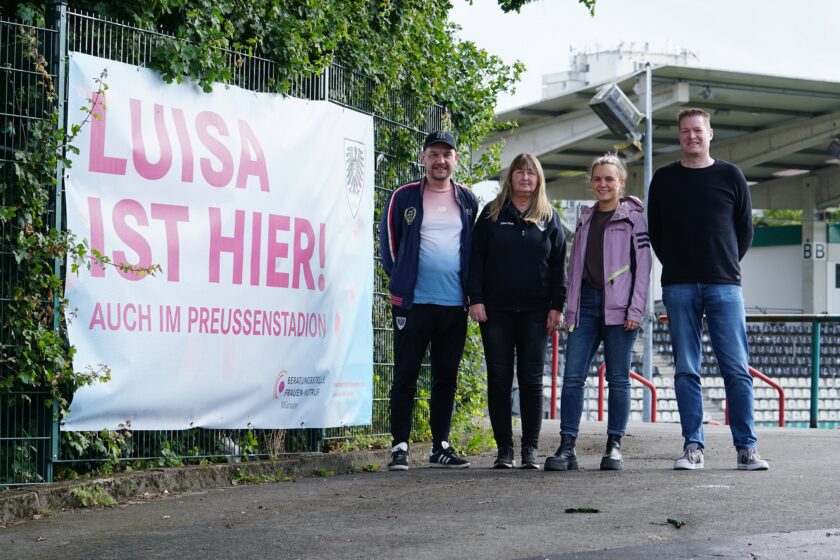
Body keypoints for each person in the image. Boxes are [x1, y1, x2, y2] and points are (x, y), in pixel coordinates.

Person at [648, 108, 769, 471]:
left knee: (736, 369)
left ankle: (747, 448)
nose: (692, 137)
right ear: (679, 136)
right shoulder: (664, 179)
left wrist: (724, 263)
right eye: (685, 131)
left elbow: (744, 231)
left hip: (724, 285)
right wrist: (681, 265)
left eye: (697, 130)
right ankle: (693, 447)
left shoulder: (731, 176)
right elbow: (657, 233)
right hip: (679, 285)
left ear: (710, 133)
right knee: (686, 368)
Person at [379, 130, 478, 471]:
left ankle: (441, 445)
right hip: (412, 303)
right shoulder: (404, 197)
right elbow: (389, 245)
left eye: (446, 155)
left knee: (445, 377)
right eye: (434, 154)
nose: (440, 161)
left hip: (453, 304)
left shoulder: (467, 200)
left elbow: (472, 249)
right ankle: (400, 446)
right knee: (405, 374)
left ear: (456, 160)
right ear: (423, 158)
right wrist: (400, 281)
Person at [545, 154, 651, 472]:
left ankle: (614, 446)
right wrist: (571, 310)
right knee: (573, 377)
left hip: (620, 310)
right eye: (597, 179)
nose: (602, 184)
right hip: (586, 307)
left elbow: (643, 269)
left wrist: (636, 308)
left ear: (621, 183)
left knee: (618, 379)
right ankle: (567, 448)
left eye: (609, 179)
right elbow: (574, 266)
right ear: (591, 183)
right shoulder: (585, 217)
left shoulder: (634, 218)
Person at [468, 153, 566, 470]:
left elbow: (558, 266)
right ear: (510, 178)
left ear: (539, 179)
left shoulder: (549, 217)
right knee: (498, 378)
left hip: (537, 313)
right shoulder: (492, 214)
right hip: (495, 310)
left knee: (531, 380)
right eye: (519, 172)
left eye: (531, 173)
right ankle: (504, 450)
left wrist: (557, 306)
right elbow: (476, 260)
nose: (525, 177)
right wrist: (476, 298)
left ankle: (530, 450)